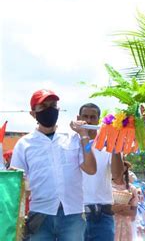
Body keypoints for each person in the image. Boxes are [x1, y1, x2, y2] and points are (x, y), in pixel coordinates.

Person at [10, 89, 97, 240]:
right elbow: (16, 182)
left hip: (73, 215)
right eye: (43, 107)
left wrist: (84, 135)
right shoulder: (24, 144)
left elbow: (90, 169)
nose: (50, 110)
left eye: (53, 105)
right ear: (33, 113)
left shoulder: (72, 138)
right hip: (40, 215)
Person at [80, 103, 124, 241]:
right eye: (85, 116)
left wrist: (115, 147)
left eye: (93, 117)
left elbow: (117, 177)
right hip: (76, 213)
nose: (88, 121)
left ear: (98, 120)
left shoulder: (108, 145)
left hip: (103, 214)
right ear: (78, 118)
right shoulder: (70, 143)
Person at [112, 161, 138, 241]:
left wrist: (116, 209)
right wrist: (124, 208)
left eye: (122, 166)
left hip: (125, 226)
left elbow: (133, 212)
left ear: (125, 168)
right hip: (110, 224)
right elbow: (104, 209)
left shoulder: (132, 189)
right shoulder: (107, 186)